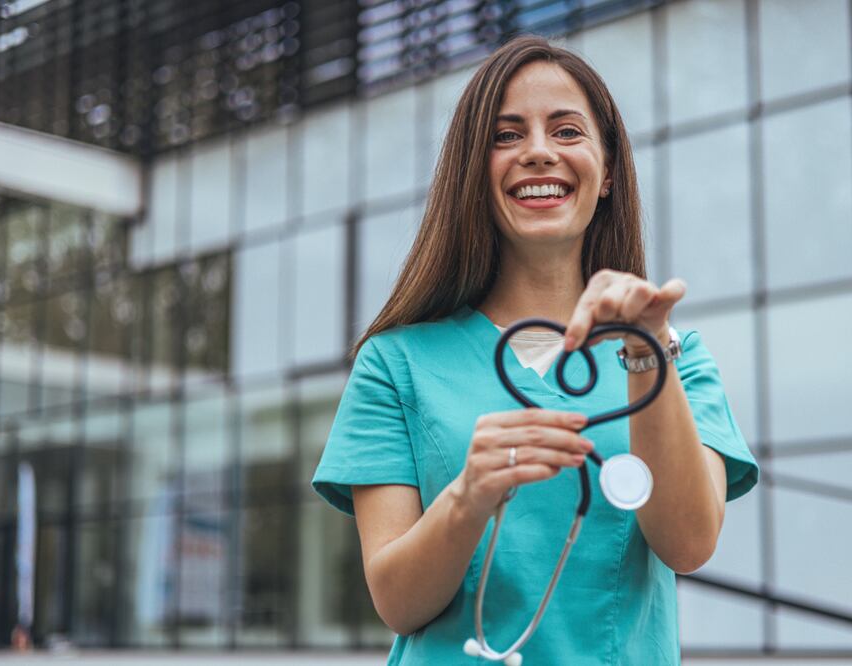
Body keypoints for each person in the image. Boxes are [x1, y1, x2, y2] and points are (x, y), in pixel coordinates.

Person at [312, 35, 759, 664]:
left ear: (606, 173)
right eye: (506, 135)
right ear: (474, 172)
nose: (540, 152)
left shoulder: (675, 352)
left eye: (568, 130)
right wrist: (468, 496)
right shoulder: (394, 363)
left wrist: (646, 350)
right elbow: (397, 602)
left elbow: (688, 544)